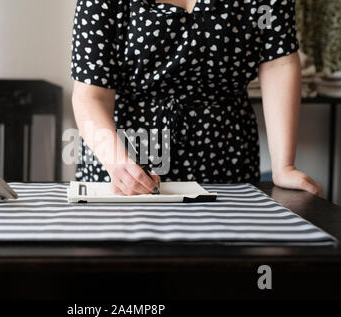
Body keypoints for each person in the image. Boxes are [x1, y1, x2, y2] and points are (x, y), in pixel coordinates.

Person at [70, 0, 322, 196]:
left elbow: (278, 61)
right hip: (125, 156)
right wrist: (117, 164)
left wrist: (284, 166)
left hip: (225, 153)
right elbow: (90, 95)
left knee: (223, 256)